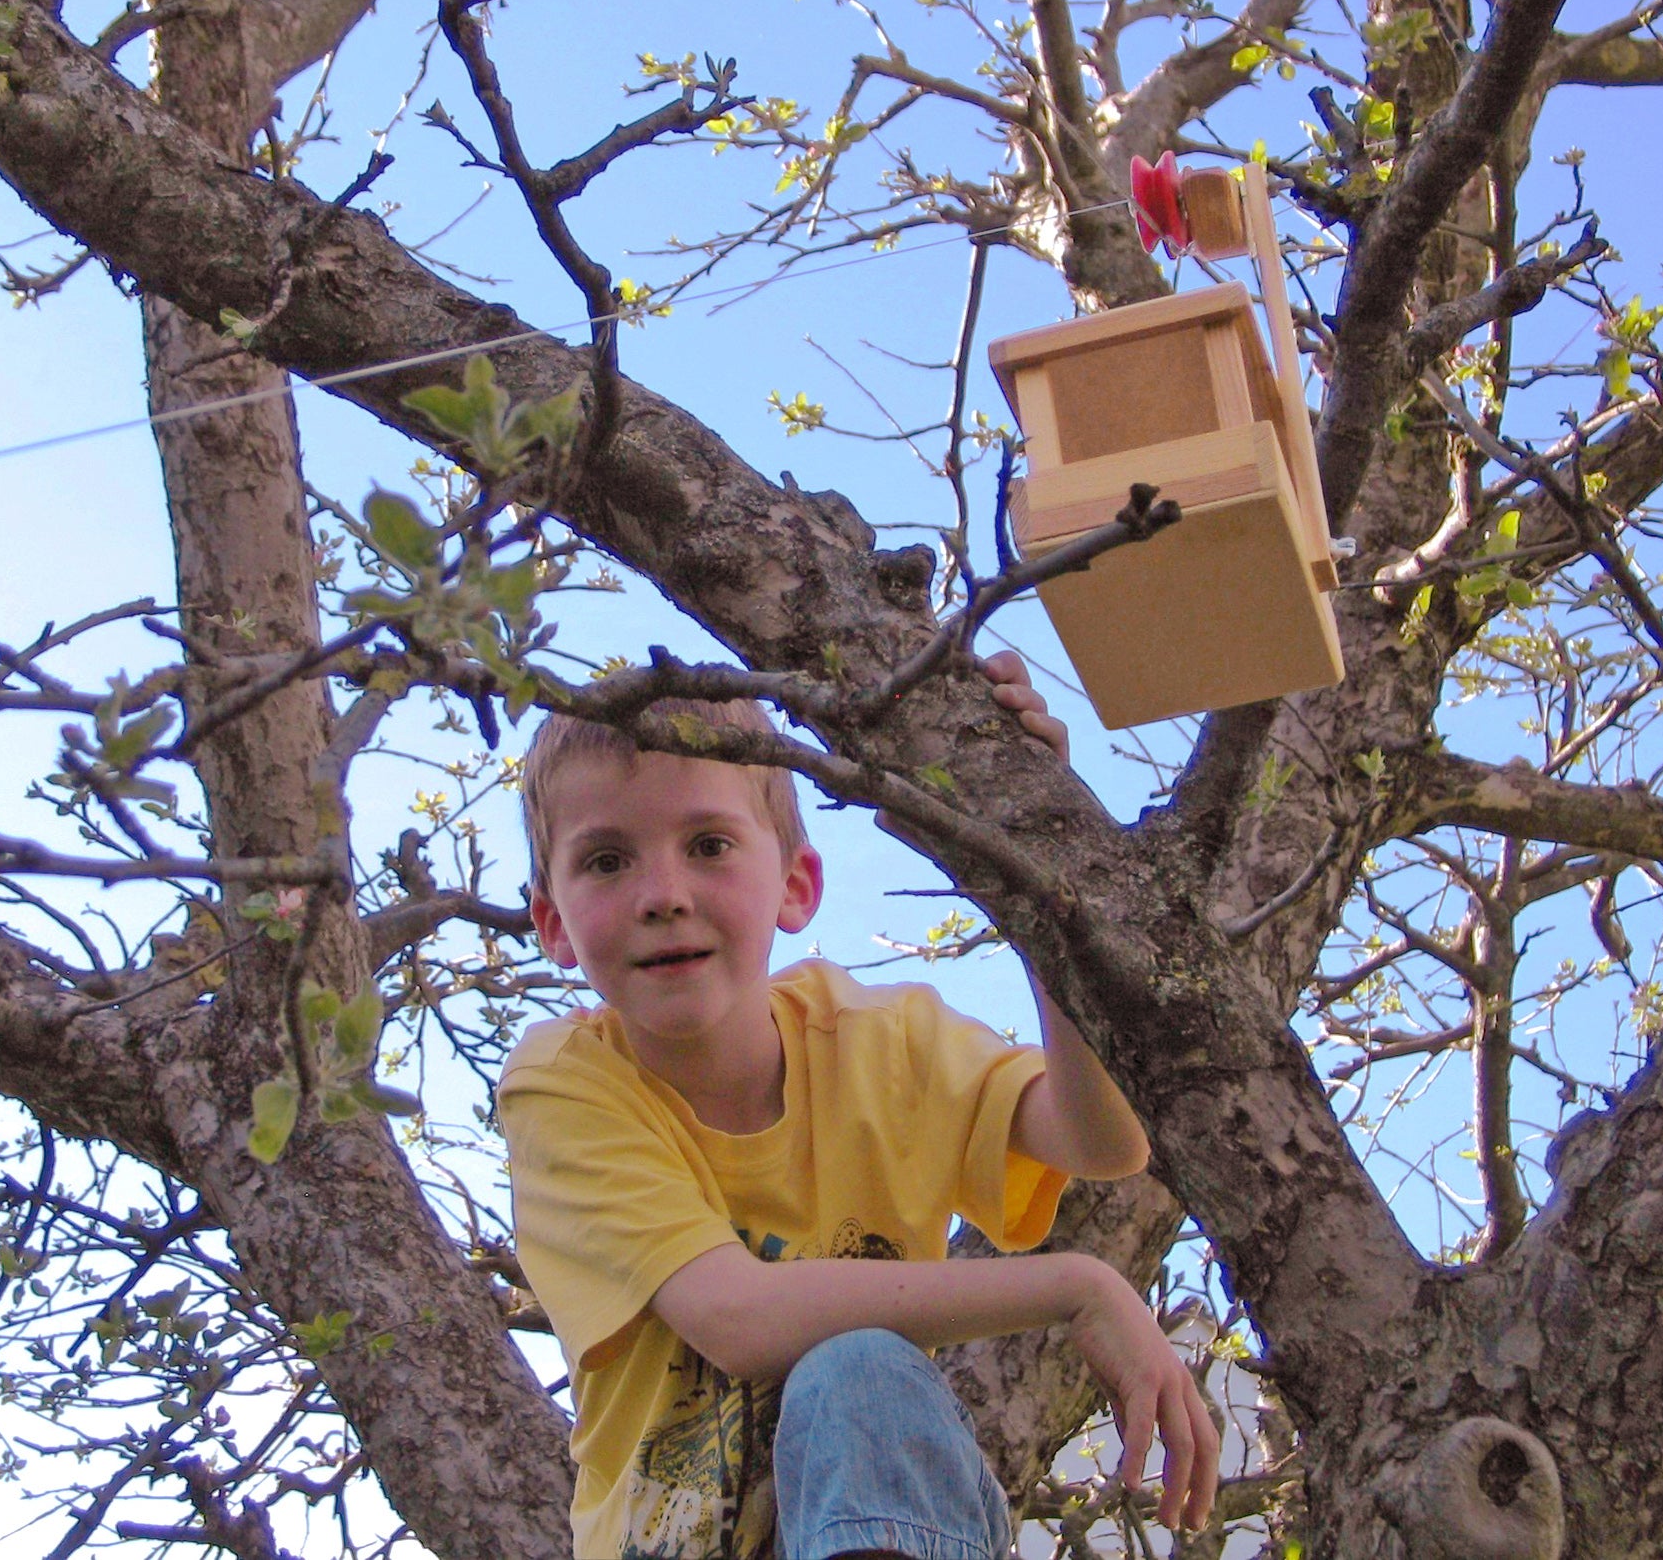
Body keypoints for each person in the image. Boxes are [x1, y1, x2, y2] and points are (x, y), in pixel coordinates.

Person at [499, 652, 1220, 1560]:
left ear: (797, 885)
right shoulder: (565, 1084)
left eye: (709, 845)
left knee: (860, 1373)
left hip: (878, 1526)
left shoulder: (884, 1039)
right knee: (856, 1363)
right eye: (606, 861)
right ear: (554, 923)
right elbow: (737, 1319)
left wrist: (1034, 865)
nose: (664, 896)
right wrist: (1079, 1286)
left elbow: (1102, 1138)